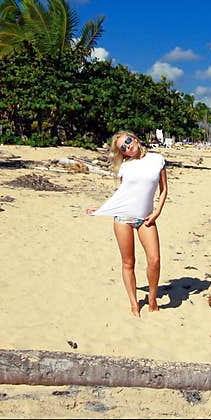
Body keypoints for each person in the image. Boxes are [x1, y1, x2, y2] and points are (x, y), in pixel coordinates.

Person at [84, 131, 168, 317]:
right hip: (122, 218)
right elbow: (122, 194)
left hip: (146, 218)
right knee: (128, 263)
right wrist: (101, 208)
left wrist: (157, 212)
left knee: (154, 260)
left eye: (128, 141)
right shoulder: (125, 167)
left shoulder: (157, 160)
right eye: (123, 147)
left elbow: (163, 190)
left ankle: (152, 300)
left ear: (135, 139)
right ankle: (134, 304)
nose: (127, 146)